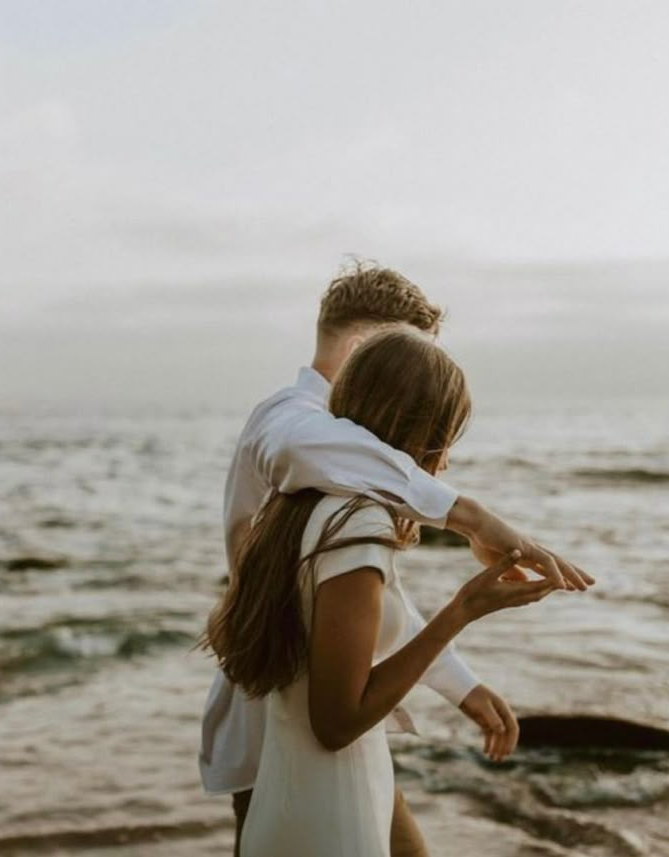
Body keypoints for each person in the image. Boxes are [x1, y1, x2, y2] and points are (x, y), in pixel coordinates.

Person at [198, 263, 594, 856]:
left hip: (316, 726)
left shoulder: (345, 487)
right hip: (283, 729)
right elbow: (308, 461)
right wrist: (472, 518)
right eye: (403, 351)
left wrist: (461, 685)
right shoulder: (292, 426)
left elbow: (363, 604)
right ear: (365, 350)